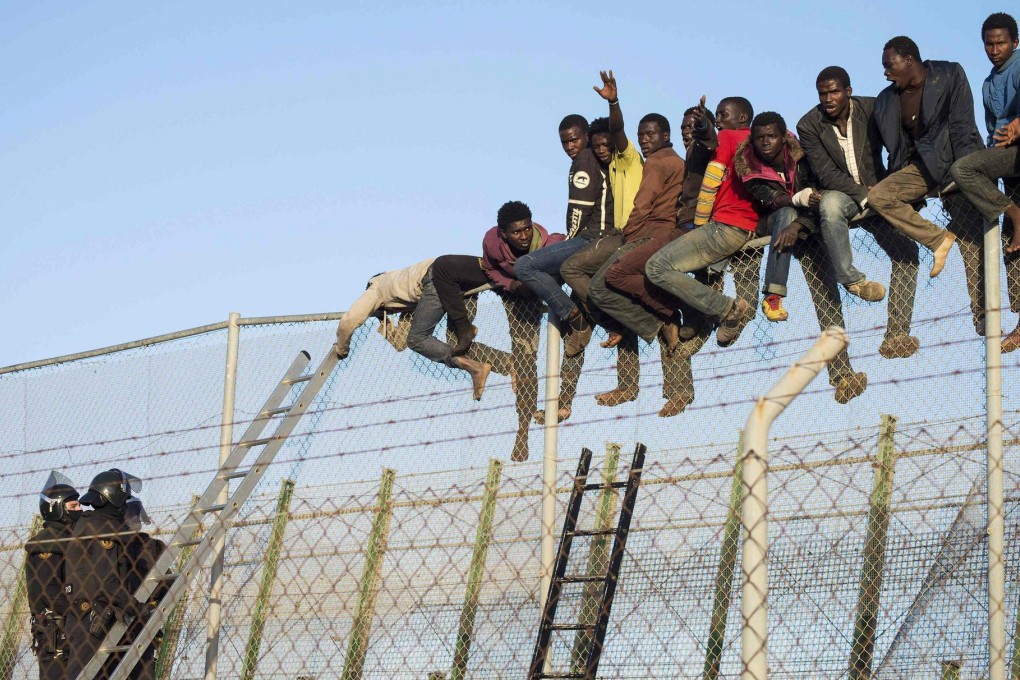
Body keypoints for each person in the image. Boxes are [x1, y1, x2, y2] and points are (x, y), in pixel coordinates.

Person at [588, 98, 719, 416]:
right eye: (641, 135)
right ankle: (668, 386)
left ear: (665, 135)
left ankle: (664, 328)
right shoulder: (678, 161)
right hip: (669, 239)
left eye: (650, 134)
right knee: (641, 300)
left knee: (601, 287)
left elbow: (642, 207)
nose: (645, 140)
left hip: (653, 237)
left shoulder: (660, 162)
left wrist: (628, 238)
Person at [735, 111, 869, 403]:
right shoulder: (747, 164)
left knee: (827, 299)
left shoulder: (804, 156)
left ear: (784, 137)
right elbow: (772, 200)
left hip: (808, 229)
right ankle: (773, 294)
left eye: (771, 136)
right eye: (759, 138)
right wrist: (795, 207)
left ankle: (842, 376)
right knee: (784, 212)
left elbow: (820, 194)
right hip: (774, 225)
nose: (765, 142)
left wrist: (800, 224)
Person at [797, 66, 922, 358]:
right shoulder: (809, 125)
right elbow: (826, 174)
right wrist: (867, 197)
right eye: (823, 93)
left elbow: (899, 145)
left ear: (848, 92)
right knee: (829, 203)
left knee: (907, 254)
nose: (828, 98)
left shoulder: (872, 107)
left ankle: (897, 335)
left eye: (835, 91)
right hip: (848, 196)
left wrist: (894, 188)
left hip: (879, 191)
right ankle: (852, 280)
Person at [868, 36, 989, 336]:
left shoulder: (948, 75)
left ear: (909, 60)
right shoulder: (887, 99)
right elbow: (898, 148)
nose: (885, 72)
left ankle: (984, 316)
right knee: (880, 195)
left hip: (958, 165)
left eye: (889, 65)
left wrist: (967, 176)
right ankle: (938, 239)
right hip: (922, 168)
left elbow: (963, 126)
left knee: (973, 244)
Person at [645, 97, 759, 347]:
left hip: (724, 225)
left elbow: (710, 184)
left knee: (656, 267)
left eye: (722, 114)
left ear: (741, 118)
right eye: (715, 115)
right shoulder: (757, 142)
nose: (718, 120)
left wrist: (699, 226)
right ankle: (720, 316)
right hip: (750, 226)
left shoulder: (729, 137)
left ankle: (726, 309)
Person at [558, 71, 643, 403]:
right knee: (576, 323)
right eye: (596, 145)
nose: (601, 149)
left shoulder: (625, 163)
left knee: (615, 305)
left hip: (620, 242)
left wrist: (614, 103)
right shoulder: (594, 169)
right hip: (597, 247)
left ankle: (627, 384)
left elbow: (619, 131)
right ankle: (562, 403)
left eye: (605, 144)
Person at [481, 200, 578, 459]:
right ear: (503, 233)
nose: (523, 236)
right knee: (525, 359)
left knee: (574, 338)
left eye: (527, 229)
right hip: (520, 297)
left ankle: (564, 403)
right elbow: (489, 268)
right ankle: (523, 429)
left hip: (557, 295)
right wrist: (511, 286)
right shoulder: (491, 241)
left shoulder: (550, 243)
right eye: (516, 232)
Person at [950, 12, 1020, 352]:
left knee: (963, 170)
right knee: (1012, 241)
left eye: (1001, 42)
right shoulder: (989, 83)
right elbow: (994, 130)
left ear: (1015, 42)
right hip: (1007, 160)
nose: (995, 49)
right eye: (989, 44)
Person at [515, 115, 614, 350]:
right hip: (598, 235)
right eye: (564, 143)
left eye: (574, 140)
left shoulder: (584, 161)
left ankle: (576, 320)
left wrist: (570, 240)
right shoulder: (591, 158)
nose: (569, 147)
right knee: (551, 271)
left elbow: (580, 210)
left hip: (591, 237)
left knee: (524, 266)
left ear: (586, 136)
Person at [65, 469, 147, 679]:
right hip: (94, 622)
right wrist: (137, 609)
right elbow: (107, 581)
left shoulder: (87, 522)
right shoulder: (103, 527)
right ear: (115, 496)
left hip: (84, 617)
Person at [406, 254, 498, 401]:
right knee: (455, 341)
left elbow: (354, 318)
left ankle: (474, 366)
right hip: (455, 278)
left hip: (436, 279)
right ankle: (508, 364)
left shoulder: (376, 287)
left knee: (416, 339)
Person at [25, 472, 80, 680]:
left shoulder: (69, 539)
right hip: (56, 631)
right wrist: (79, 613)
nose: (80, 510)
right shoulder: (48, 542)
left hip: (72, 629)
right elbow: (48, 589)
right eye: (73, 506)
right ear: (56, 508)